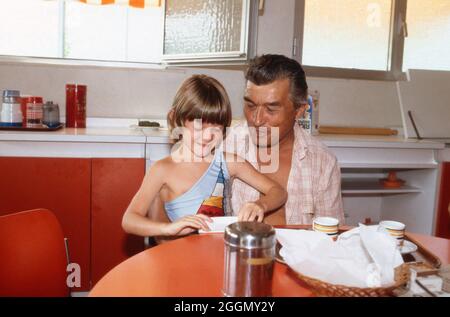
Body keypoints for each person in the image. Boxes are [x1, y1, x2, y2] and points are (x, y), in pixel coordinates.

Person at [122, 75, 287, 237]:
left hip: (218, 254)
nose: (208, 136)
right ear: (176, 119)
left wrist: (260, 205)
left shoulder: (229, 162)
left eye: (216, 127)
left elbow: (278, 192)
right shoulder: (162, 169)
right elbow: (129, 220)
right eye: (199, 127)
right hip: (180, 257)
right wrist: (169, 228)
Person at [225, 54, 344, 225]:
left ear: (299, 110)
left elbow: (330, 236)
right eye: (250, 105)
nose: (257, 120)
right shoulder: (227, 144)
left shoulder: (323, 163)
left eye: (271, 110)